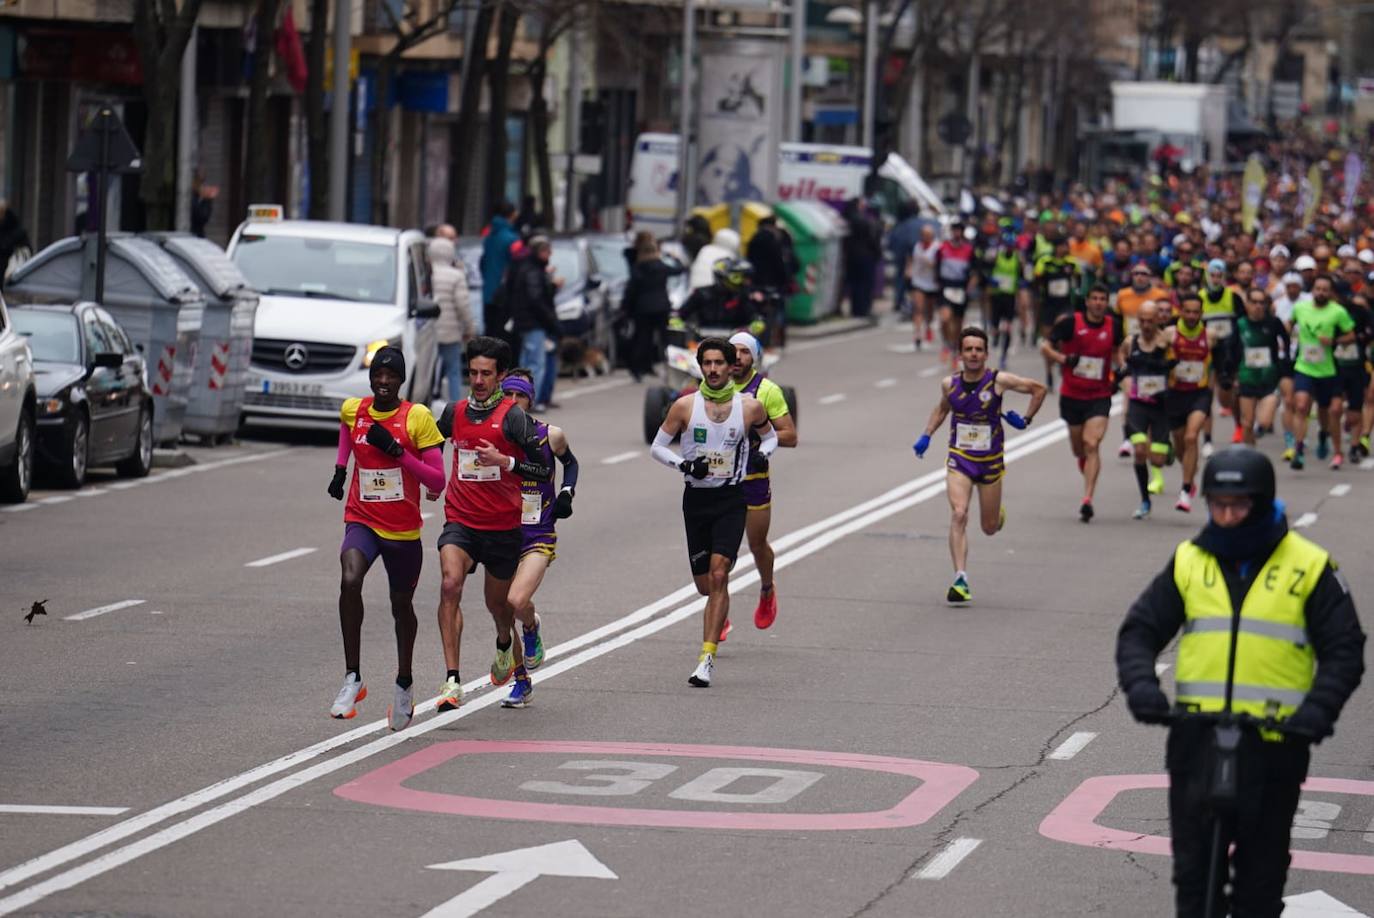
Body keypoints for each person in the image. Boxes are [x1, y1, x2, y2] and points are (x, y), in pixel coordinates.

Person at [1115, 446, 1364, 918]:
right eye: (1218, 506)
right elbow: (1140, 631)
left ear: (1264, 503)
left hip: (1275, 748)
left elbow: (1345, 650)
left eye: (1239, 506)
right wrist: (1143, 690)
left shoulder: (1309, 567)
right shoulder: (1191, 560)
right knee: (1193, 885)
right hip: (1196, 744)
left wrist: (1317, 713)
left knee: (1259, 888)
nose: (1227, 518)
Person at [326, 347, 447, 729]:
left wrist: (397, 453)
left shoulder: (417, 417)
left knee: (401, 607)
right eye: (377, 375)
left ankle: (405, 680)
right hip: (361, 517)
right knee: (349, 579)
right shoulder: (354, 410)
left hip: (402, 531)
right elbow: (348, 432)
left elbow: (436, 481)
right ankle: (353, 678)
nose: (382, 382)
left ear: (401, 380)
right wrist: (341, 469)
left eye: (390, 376)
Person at [649, 336, 777, 687]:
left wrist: (763, 453)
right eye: (707, 364)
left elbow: (771, 436)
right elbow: (657, 447)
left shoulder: (749, 406)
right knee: (706, 585)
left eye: (720, 363)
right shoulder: (685, 406)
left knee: (720, 575)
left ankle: (706, 659)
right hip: (697, 501)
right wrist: (685, 467)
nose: (714, 369)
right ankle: (718, 609)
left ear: (730, 365)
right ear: (700, 367)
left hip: (732, 499)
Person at [433, 336, 552, 712]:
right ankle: (452, 680)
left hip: (502, 527)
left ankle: (508, 645)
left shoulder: (513, 417)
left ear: (501, 375)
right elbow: (432, 444)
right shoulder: (454, 412)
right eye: (473, 373)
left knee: (500, 610)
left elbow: (543, 468)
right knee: (450, 584)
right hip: (461, 519)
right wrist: (431, 476)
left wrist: (505, 461)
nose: (479, 380)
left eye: (486, 373)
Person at [913, 327, 1047, 604]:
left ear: (986, 354)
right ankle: (960, 578)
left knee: (988, 527)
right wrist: (926, 435)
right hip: (960, 460)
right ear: (960, 354)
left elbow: (1038, 389)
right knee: (959, 514)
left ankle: (997, 514)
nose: (973, 354)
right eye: (968, 349)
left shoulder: (998, 381)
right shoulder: (949, 384)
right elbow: (942, 408)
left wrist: (1026, 419)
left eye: (978, 349)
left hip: (990, 464)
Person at [498, 370, 579, 708]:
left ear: (529, 400)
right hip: (500, 532)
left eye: (519, 397)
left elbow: (571, 464)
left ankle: (530, 626)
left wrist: (567, 492)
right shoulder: (493, 439)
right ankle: (521, 681)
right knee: (502, 611)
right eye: (507, 397)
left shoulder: (550, 435)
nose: (513, 404)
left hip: (538, 532)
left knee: (516, 602)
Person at [728, 331, 796, 636]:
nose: (738, 357)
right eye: (734, 351)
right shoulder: (715, 388)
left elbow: (790, 436)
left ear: (753, 357)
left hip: (754, 478)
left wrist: (758, 438)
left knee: (756, 545)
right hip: (720, 482)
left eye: (745, 352)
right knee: (722, 553)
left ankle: (767, 588)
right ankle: (720, 612)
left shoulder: (767, 391)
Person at [1041, 284, 1123, 522]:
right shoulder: (1070, 323)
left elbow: (1119, 350)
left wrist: (1120, 370)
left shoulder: (1113, 326)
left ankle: (1087, 499)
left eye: (1102, 299)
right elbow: (1045, 346)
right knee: (1079, 449)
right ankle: (1084, 464)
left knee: (1092, 443)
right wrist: (1064, 359)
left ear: (1106, 302)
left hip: (1099, 395)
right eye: (1094, 298)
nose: (1098, 303)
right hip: (1072, 395)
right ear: (1086, 302)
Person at [1288, 274, 1356, 470]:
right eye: (1318, 289)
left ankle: (1323, 434)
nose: (1321, 292)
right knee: (1301, 406)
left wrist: (1334, 341)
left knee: (1326, 411)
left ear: (1330, 292)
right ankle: (1298, 449)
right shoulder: (1301, 308)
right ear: (1312, 290)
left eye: (1325, 290)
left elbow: (1351, 335)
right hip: (1304, 366)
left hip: (1328, 370)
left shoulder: (1338, 312)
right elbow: (1289, 324)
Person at [1165, 293, 1221, 513]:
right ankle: (1191, 470)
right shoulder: (1169, 334)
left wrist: (1220, 379)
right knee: (1180, 444)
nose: (1191, 315)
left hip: (1199, 394)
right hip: (1175, 394)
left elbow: (1219, 360)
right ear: (1180, 311)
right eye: (1187, 311)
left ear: (1201, 313)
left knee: (1191, 437)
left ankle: (1185, 490)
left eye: (1195, 312)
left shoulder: (1211, 336)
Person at [1117, 300, 1173, 519]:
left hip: (1162, 406)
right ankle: (1145, 501)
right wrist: (1125, 372)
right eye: (1143, 320)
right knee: (1140, 450)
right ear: (1137, 320)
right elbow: (1122, 355)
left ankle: (1168, 451)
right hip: (1139, 404)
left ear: (1158, 319)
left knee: (1157, 460)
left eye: (1151, 320)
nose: (1147, 325)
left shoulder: (1166, 339)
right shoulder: (1131, 341)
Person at [505, 237, 562, 411]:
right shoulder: (533, 271)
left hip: (525, 322)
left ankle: (519, 398)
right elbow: (536, 299)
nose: (549, 255)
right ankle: (529, 400)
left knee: (526, 362)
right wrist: (551, 321)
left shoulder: (529, 268)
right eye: (546, 251)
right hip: (533, 323)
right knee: (535, 364)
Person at [625, 232, 687, 381]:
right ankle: (672, 368)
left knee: (642, 339)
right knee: (665, 340)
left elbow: (631, 290)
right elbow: (680, 269)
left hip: (643, 308)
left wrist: (628, 308)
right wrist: (675, 258)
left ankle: (637, 370)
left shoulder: (638, 268)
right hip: (661, 307)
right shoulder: (661, 266)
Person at [1234, 289, 1288, 447]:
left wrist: (1283, 364)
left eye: (1261, 302)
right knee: (1247, 423)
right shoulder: (1240, 324)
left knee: (1263, 423)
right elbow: (1232, 350)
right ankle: (1249, 456)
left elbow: (1286, 341)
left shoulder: (1273, 323)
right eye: (1254, 302)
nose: (1258, 306)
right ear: (1247, 305)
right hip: (1247, 376)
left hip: (1269, 377)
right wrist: (1232, 373)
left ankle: (1260, 430)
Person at [428, 235, 475, 403]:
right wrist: (469, 328)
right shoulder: (456, 276)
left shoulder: (427, 272)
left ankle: (427, 401)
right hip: (451, 331)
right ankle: (455, 406)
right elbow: (462, 305)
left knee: (429, 369)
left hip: (428, 330)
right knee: (453, 370)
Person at [1332, 291, 1373, 463]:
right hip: (1335, 368)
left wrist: (1359, 337)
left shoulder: (1366, 318)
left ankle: (1355, 446)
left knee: (1356, 410)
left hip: (1358, 369)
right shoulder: (1334, 316)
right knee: (1335, 408)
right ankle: (1336, 449)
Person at [1034, 236, 1078, 387]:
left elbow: (1078, 278)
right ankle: (1049, 372)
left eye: (1066, 246)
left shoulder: (1071, 263)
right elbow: (1036, 277)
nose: (1064, 249)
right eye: (1061, 246)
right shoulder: (1045, 262)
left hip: (1065, 305)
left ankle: (1061, 365)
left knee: (1061, 337)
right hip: (1048, 304)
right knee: (1049, 340)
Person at [935, 222, 976, 366]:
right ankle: (946, 343)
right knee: (945, 318)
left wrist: (970, 286)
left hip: (960, 288)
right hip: (946, 287)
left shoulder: (969, 250)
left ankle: (954, 349)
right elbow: (936, 267)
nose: (957, 234)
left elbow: (974, 271)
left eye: (959, 231)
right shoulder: (942, 248)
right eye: (955, 231)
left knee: (958, 324)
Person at [481, 201, 521, 337]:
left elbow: (483, 262)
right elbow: (517, 266)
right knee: (501, 335)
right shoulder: (513, 239)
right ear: (513, 215)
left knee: (489, 332)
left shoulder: (488, 235)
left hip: (487, 292)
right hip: (504, 294)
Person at [842, 199, 882, 319]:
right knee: (865, 285)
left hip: (851, 257)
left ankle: (856, 309)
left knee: (855, 284)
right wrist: (877, 253)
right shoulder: (865, 221)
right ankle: (863, 310)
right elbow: (873, 239)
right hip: (865, 257)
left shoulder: (847, 218)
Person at [909, 224, 940, 349]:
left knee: (930, 310)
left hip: (932, 283)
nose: (926, 237)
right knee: (918, 308)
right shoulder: (917, 246)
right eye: (924, 235)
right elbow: (911, 259)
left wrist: (930, 263)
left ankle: (928, 326)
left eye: (928, 235)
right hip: (919, 281)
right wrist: (909, 270)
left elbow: (939, 263)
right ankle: (917, 334)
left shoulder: (937, 247)